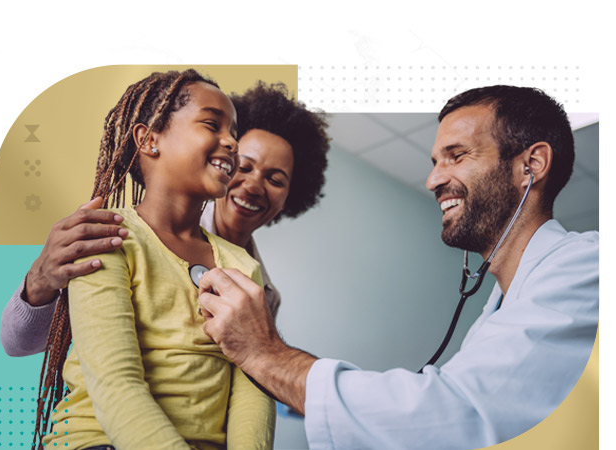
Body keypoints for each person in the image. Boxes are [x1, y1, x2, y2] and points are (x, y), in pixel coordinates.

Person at [196, 85, 599, 449]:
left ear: (532, 165)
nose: (433, 180)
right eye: (435, 161)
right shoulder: (501, 310)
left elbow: (450, 413)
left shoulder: (587, 266)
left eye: (456, 156)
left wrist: (268, 356)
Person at [33, 69, 279, 450]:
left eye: (234, 131)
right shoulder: (105, 236)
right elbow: (116, 383)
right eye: (213, 124)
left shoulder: (242, 265)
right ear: (148, 140)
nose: (232, 142)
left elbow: (254, 386)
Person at [0, 81, 330, 357]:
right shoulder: (119, 236)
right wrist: (40, 280)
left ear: (291, 195)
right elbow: (18, 345)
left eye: (275, 179)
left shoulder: (263, 293)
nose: (255, 185)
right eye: (244, 166)